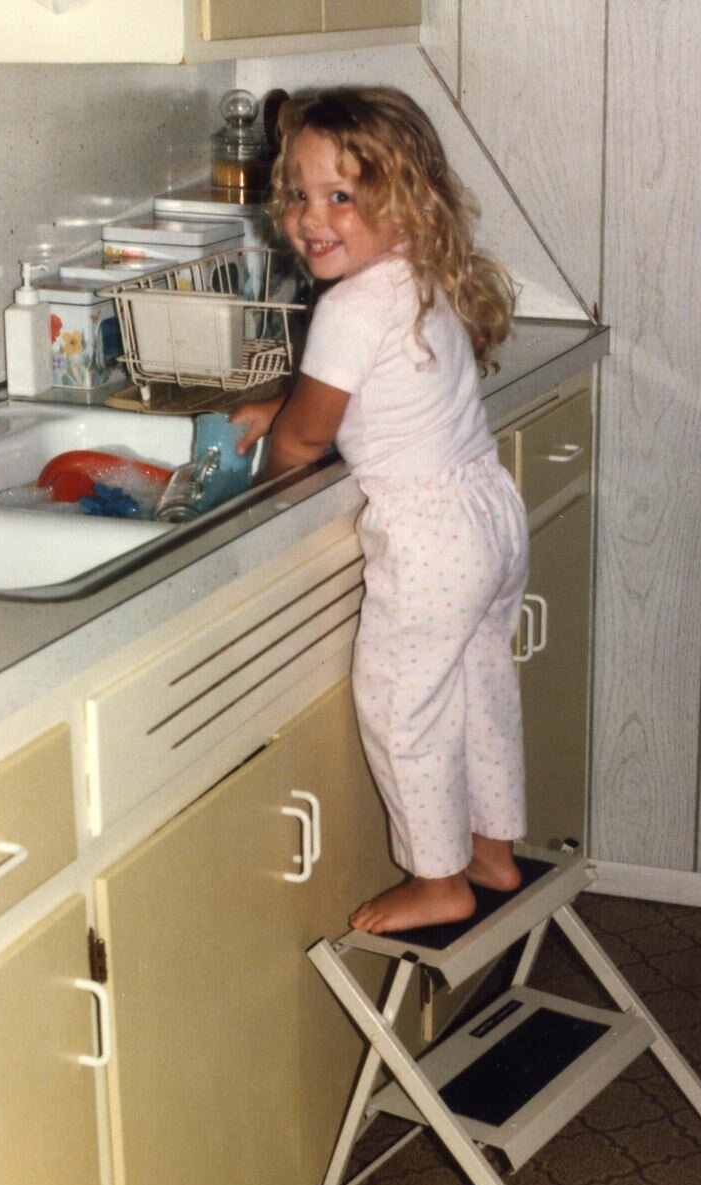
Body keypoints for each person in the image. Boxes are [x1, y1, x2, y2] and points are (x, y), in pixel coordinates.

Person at [231, 86, 528, 935]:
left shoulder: (345, 306)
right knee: (478, 680)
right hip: (485, 508)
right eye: (297, 193)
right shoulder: (419, 270)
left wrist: (261, 486)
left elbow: (302, 442)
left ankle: (439, 879)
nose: (309, 218)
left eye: (341, 197)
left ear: (403, 203)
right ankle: (491, 847)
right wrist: (282, 402)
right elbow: (369, 387)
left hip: (428, 537)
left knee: (402, 702)